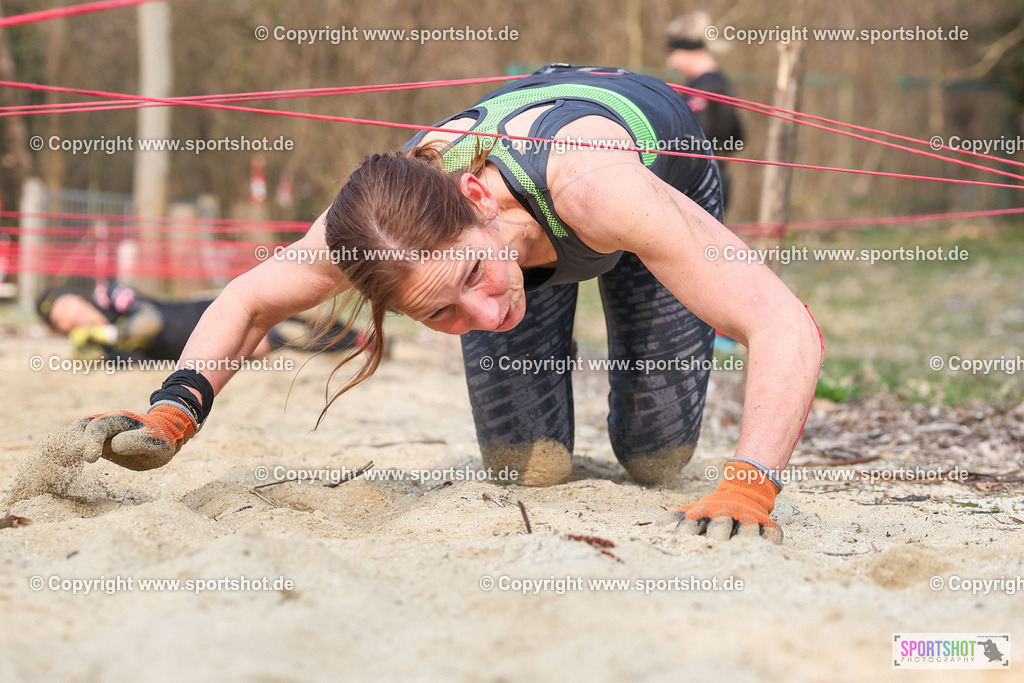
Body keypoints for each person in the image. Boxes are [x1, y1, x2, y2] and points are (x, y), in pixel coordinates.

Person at [46, 64, 823, 544]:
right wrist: (173, 411)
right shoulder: (378, 226)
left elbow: (781, 322)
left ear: (478, 198)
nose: (486, 317)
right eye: (440, 312)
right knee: (531, 470)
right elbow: (250, 299)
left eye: (471, 279)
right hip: (529, 232)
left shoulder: (598, 185)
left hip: (646, 184)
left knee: (657, 457)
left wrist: (753, 475)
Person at [36, 281, 372, 362]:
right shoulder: (94, 343)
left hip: (204, 312)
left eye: (68, 308)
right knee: (286, 335)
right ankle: (361, 343)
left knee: (296, 308)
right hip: (209, 346)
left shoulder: (110, 295)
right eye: (63, 322)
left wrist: (107, 333)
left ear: (77, 298)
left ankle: (364, 335)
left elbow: (149, 323)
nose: (72, 318)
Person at [666, 11, 744, 211]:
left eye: (675, 52)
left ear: (691, 50)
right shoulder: (711, 83)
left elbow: (699, 137)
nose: (671, 62)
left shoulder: (707, 87)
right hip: (711, 179)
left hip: (703, 184)